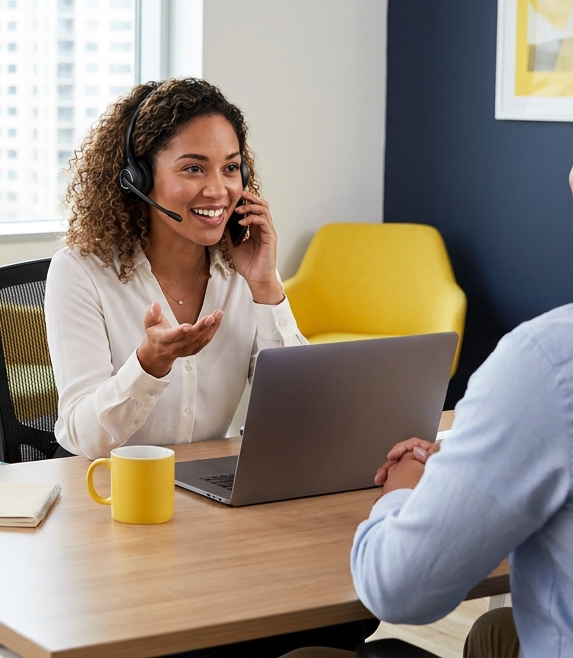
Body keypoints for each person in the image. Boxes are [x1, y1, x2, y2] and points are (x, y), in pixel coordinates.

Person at [285, 31, 573, 658]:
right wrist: (475, 463)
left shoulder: (555, 363)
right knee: (498, 631)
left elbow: (398, 590)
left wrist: (405, 491)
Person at [47, 78, 376, 655]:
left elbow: (309, 411)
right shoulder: (82, 271)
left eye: (231, 168)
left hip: (212, 518)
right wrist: (147, 365)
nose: (218, 189)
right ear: (138, 178)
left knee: (341, 620)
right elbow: (82, 433)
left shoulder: (241, 272)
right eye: (193, 168)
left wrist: (267, 286)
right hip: (115, 523)